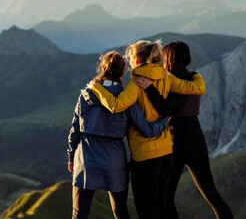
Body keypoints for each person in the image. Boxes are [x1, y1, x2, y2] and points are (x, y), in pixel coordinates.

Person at [88, 40, 206, 219]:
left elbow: (116, 105)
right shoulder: (165, 76)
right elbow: (197, 88)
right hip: (167, 152)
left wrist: (96, 87)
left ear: (136, 58)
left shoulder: (137, 83)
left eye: (130, 58)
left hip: (145, 156)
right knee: (163, 207)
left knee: (146, 210)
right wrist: (197, 76)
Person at [134, 41, 234, 219]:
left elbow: (166, 109)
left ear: (169, 57)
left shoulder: (168, 81)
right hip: (196, 138)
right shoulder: (195, 77)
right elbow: (198, 91)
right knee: (211, 194)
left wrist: (149, 89)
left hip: (174, 142)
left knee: (167, 197)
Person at [68, 51, 170, 219]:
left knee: (79, 214)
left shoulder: (85, 94)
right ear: (122, 72)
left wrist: (71, 156)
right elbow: (147, 130)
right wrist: (165, 121)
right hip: (114, 158)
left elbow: (75, 130)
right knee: (120, 212)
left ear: (102, 68)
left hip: (85, 158)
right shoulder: (126, 99)